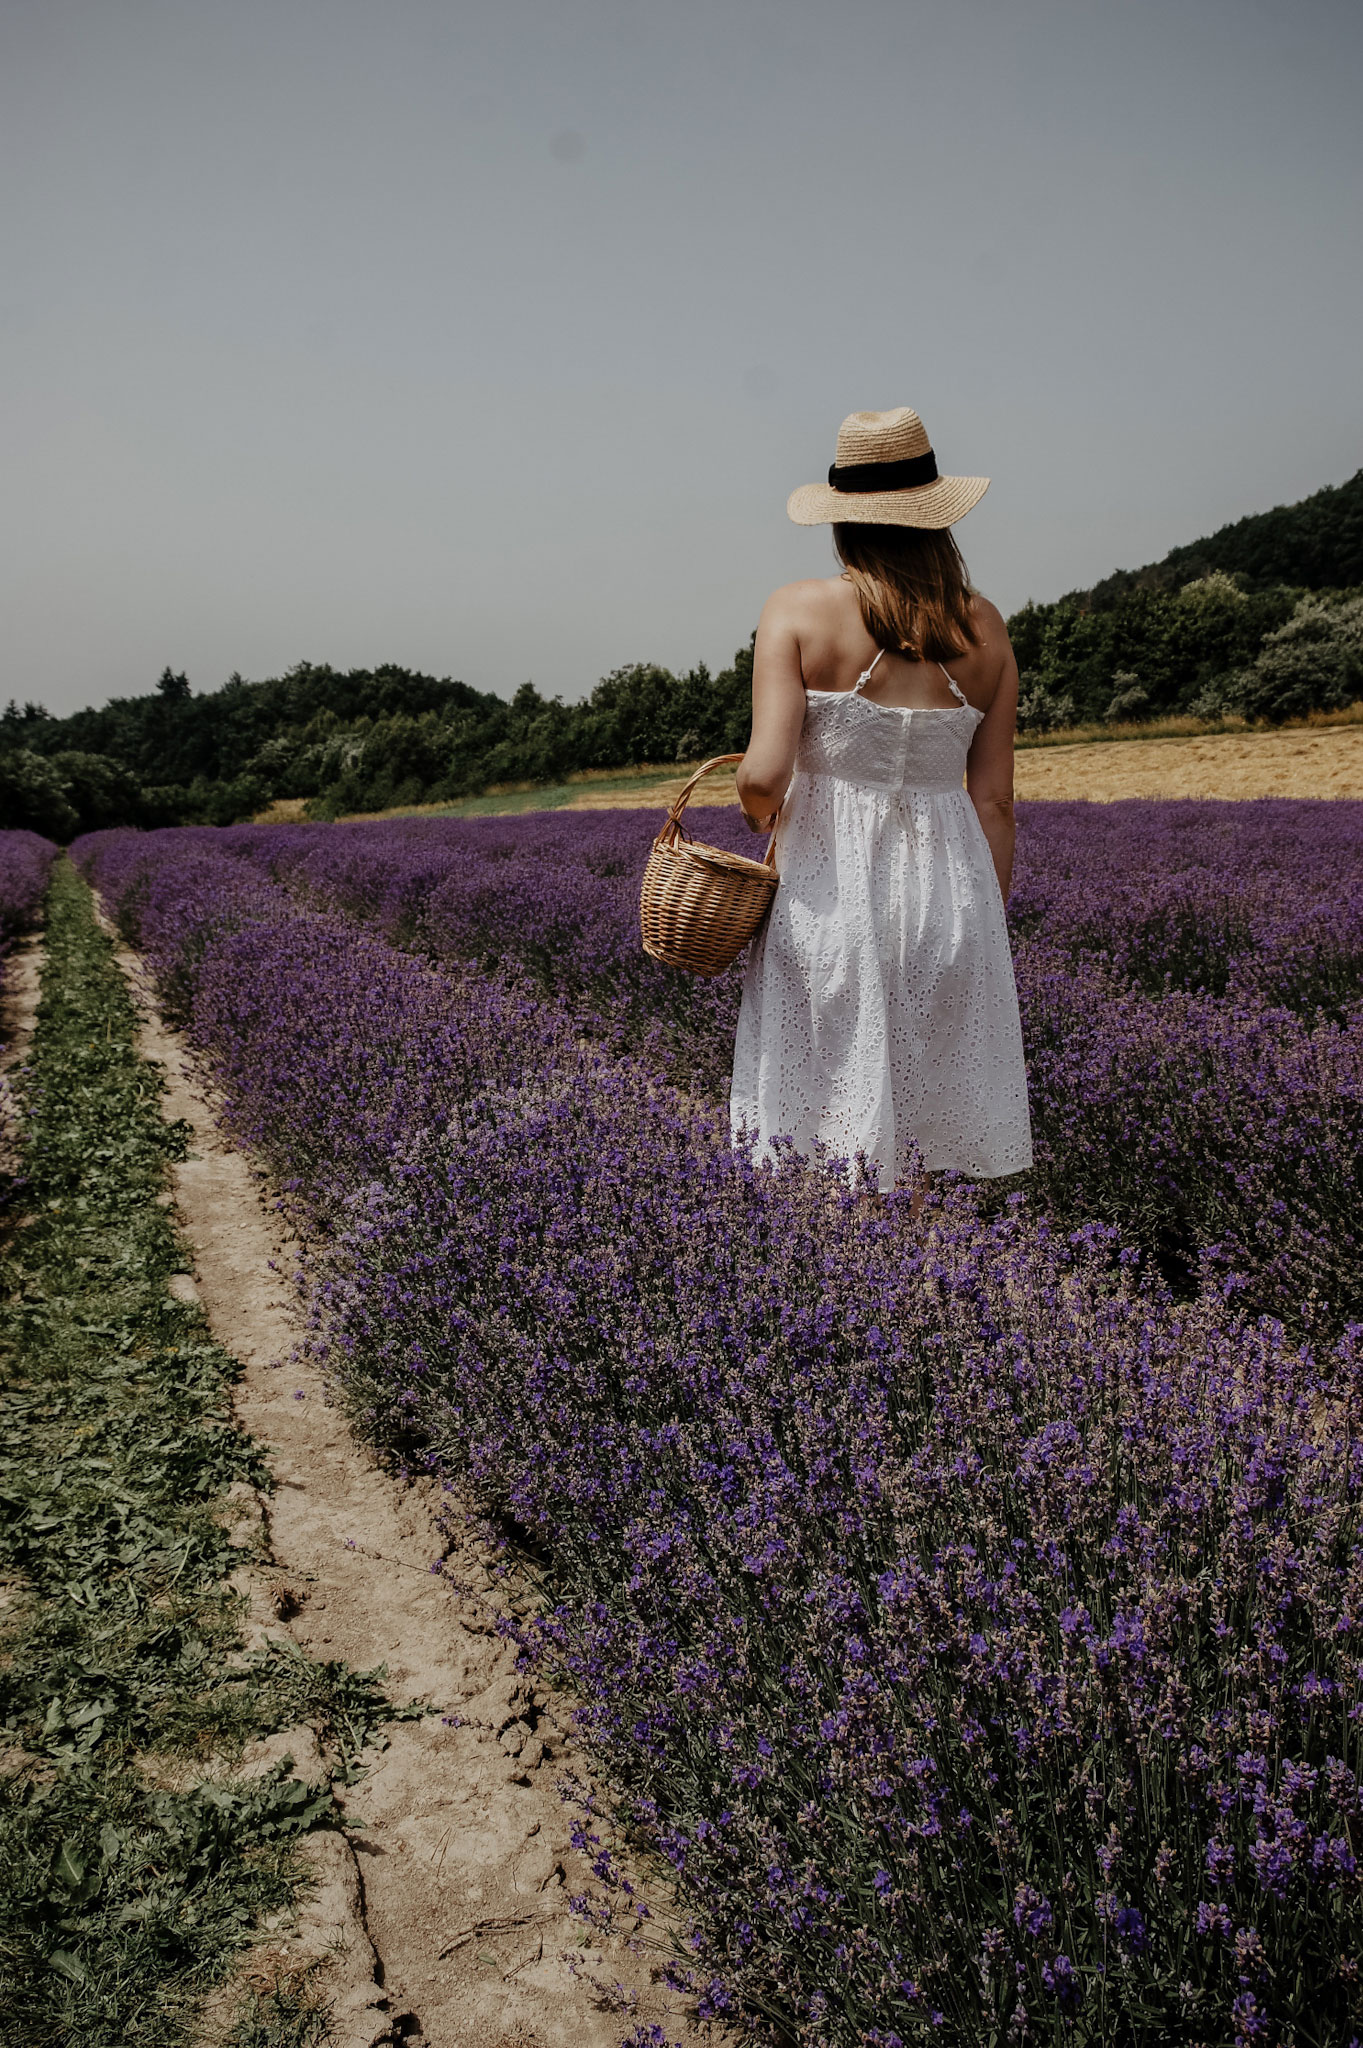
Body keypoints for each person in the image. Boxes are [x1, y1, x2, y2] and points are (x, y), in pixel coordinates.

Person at [731, 406, 1033, 1197]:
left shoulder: (795, 610)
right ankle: (923, 1291)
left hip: (830, 897)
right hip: (954, 898)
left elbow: (763, 777)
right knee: (929, 1126)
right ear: (933, 514)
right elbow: (994, 801)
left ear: (843, 521)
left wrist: (755, 804)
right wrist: (981, 920)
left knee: (825, 1117)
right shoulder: (985, 628)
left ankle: (845, 1294)